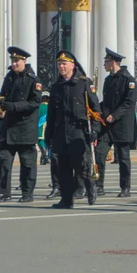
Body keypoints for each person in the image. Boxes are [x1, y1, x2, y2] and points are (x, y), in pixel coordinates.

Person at [45, 51, 102, 209]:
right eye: (59, 64)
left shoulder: (83, 83)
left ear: (72, 65)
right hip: (60, 132)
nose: (61, 67)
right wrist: (48, 136)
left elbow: (95, 109)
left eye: (64, 64)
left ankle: (90, 185)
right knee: (61, 167)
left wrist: (95, 130)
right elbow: (51, 114)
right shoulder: (56, 87)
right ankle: (66, 199)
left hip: (79, 131)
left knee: (81, 165)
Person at [0, 46, 42, 203]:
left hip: (25, 127)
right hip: (8, 127)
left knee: (27, 163)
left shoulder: (33, 80)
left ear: (24, 61)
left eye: (17, 61)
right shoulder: (9, 77)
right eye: (13, 61)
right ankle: (3, 192)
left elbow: (35, 103)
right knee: (4, 161)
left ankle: (27, 193)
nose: (14, 64)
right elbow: (4, 95)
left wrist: (12, 106)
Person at [94, 48, 137, 197]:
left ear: (113, 63)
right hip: (107, 125)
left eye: (106, 62)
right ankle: (98, 185)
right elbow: (106, 101)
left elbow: (129, 103)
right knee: (100, 153)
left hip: (122, 124)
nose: (104, 65)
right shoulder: (108, 79)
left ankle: (125, 187)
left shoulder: (128, 80)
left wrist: (115, 115)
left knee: (123, 157)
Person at [38, 92, 50, 166]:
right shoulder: (50, 106)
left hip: (39, 126)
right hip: (48, 126)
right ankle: (44, 157)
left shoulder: (38, 107)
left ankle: (44, 157)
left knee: (41, 141)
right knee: (45, 142)